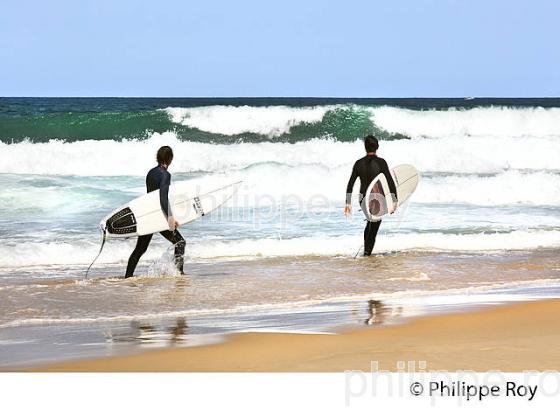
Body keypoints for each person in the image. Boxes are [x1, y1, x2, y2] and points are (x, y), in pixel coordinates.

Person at [125, 146, 185, 278]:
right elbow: (163, 198)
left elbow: (150, 196)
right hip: (158, 216)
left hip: (148, 214)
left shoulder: (151, 173)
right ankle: (178, 273)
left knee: (140, 249)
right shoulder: (165, 175)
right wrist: (170, 219)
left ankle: (128, 277)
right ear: (170, 159)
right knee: (180, 242)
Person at [344, 135, 398, 256]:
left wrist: (348, 203)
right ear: (377, 147)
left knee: (370, 221)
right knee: (373, 228)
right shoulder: (381, 162)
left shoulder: (358, 163)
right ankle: (367, 255)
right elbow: (390, 181)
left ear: (365, 147)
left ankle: (366, 252)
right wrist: (394, 200)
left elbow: (350, 184)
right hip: (377, 199)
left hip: (363, 199)